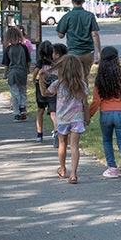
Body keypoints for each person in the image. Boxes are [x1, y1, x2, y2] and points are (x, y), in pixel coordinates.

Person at [39, 54, 89, 184]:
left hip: (62, 119)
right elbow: (85, 103)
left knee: (62, 144)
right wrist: (87, 117)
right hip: (77, 118)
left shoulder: (58, 84)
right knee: (74, 146)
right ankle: (73, 174)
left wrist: (40, 79)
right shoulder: (82, 85)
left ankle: (62, 168)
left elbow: (45, 93)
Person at [89, 46, 121, 181]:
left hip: (106, 113)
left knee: (107, 140)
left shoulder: (99, 79)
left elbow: (96, 101)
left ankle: (112, 168)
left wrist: (88, 116)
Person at [57, 0, 101, 82]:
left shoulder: (67, 16)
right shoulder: (90, 16)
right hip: (88, 52)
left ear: (72, 1)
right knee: (84, 78)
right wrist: (99, 52)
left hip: (73, 52)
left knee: (73, 78)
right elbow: (95, 34)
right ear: (83, 1)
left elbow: (60, 35)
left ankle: (74, 95)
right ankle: (84, 95)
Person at [2, 26, 31, 121]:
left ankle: (17, 112)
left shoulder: (8, 49)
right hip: (22, 72)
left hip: (12, 73)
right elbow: (28, 61)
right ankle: (23, 107)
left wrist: (5, 74)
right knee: (23, 90)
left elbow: (6, 64)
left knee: (14, 93)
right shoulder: (24, 48)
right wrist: (28, 69)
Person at [32, 40, 54, 141]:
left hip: (41, 87)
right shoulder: (54, 61)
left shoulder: (40, 61)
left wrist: (34, 80)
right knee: (53, 111)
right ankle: (57, 131)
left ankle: (39, 133)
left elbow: (36, 72)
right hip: (52, 87)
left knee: (40, 110)